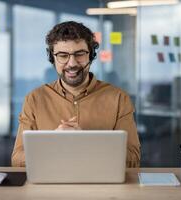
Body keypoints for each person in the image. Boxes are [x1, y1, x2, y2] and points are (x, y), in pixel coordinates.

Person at [11, 21, 140, 167]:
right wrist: (53, 143)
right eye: (63, 55)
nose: (72, 63)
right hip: (50, 186)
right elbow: (17, 160)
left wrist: (85, 143)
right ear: (53, 58)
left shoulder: (119, 98)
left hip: (102, 187)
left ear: (90, 56)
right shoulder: (34, 100)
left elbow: (133, 160)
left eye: (79, 54)